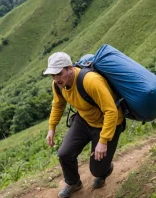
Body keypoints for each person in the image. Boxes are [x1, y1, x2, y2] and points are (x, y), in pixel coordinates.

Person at [43, 52, 125, 198]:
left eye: (58, 74)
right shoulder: (58, 85)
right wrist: (51, 128)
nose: (56, 79)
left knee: (98, 170)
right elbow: (57, 105)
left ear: (69, 68)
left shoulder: (90, 81)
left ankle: (104, 170)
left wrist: (103, 140)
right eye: (52, 75)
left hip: (107, 123)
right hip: (84, 119)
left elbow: (111, 111)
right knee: (64, 153)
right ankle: (73, 182)